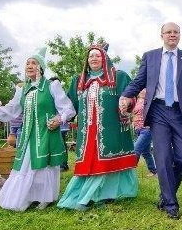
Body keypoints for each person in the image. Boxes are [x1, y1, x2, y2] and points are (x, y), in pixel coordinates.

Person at [120, 22, 182, 219]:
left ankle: (165, 194)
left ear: (180, 35)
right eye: (168, 32)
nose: (172, 35)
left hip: (180, 112)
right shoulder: (150, 56)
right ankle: (171, 204)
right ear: (161, 35)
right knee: (162, 158)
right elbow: (138, 81)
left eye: (175, 32)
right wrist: (126, 95)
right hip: (158, 111)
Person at [58, 43, 139, 211]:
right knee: (91, 161)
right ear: (86, 61)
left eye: (97, 55)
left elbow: (132, 97)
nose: (94, 58)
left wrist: (127, 104)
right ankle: (90, 195)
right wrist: (58, 116)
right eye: (90, 56)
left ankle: (112, 192)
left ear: (104, 58)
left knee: (108, 160)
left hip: (111, 128)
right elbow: (68, 104)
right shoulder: (78, 81)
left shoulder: (119, 77)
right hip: (86, 132)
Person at [0, 48, 76, 211]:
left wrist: (58, 119)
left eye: (34, 63)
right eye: (27, 63)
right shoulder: (23, 90)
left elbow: (68, 108)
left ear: (41, 68)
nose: (30, 66)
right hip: (27, 135)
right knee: (25, 165)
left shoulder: (51, 85)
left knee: (44, 165)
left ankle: (45, 197)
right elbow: (12, 109)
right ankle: (28, 195)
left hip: (46, 132)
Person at [132, 89, 157, 177]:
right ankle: (153, 171)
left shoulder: (149, 101)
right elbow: (133, 114)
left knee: (136, 150)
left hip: (146, 130)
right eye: (141, 90)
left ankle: (130, 173)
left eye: (145, 90)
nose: (142, 91)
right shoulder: (136, 100)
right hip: (138, 129)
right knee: (146, 153)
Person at [49, 77, 70, 172]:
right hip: (55, 125)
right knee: (57, 145)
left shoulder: (61, 93)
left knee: (61, 145)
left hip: (62, 125)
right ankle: (58, 164)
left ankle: (63, 164)